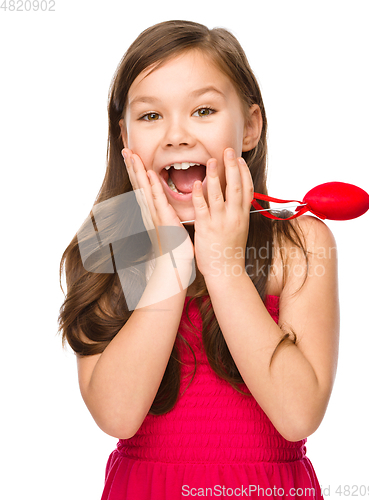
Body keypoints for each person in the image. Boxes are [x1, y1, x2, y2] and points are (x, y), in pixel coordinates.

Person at [58, 20, 339, 500]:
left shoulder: (301, 241)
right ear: (124, 138)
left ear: (250, 127)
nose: (176, 136)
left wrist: (223, 265)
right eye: (150, 117)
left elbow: (297, 417)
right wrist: (170, 266)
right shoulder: (113, 236)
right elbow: (116, 414)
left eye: (203, 110)